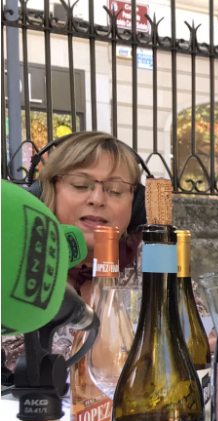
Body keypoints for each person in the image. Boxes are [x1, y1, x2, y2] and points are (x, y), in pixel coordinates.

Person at [2, 132, 144, 377]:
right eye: (80, 185)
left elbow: (202, 338)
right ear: (48, 191)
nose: (97, 199)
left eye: (116, 190)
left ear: (136, 203)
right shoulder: (14, 260)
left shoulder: (154, 263)